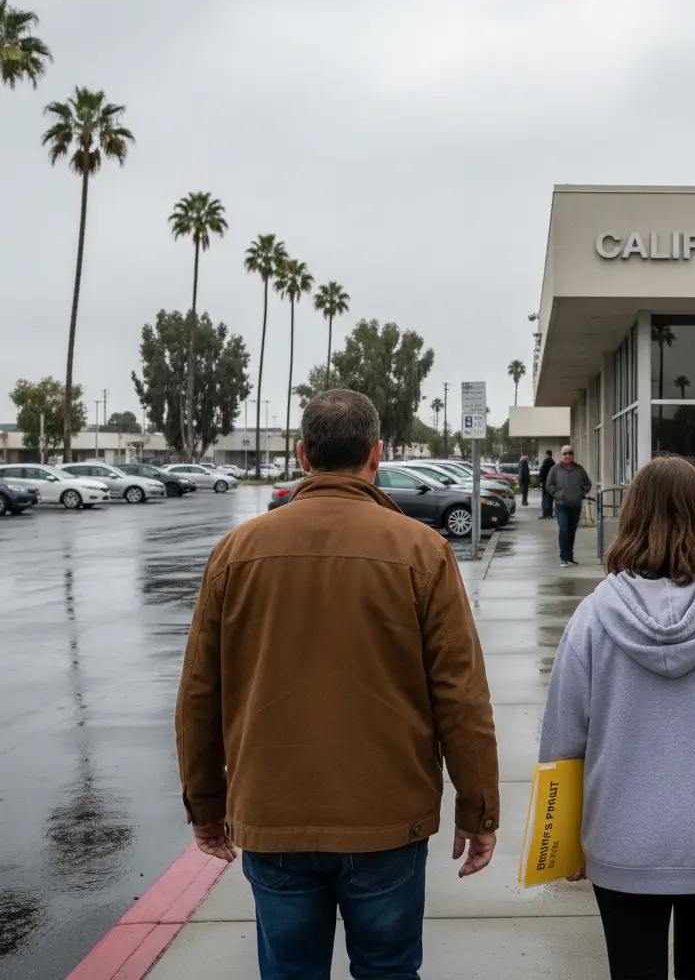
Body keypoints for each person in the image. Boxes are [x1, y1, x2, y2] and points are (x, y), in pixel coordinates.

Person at [176, 389, 500, 980]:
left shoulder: (236, 552)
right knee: (388, 969)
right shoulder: (422, 551)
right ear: (377, 454)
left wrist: (205, 805)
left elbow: (199, 694)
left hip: (274, 815)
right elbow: (461, 696)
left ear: (303, 455)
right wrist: (478, 809)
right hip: (387, 817)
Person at [539, 455, 695, 980]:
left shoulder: (592, 617)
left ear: (632, 516)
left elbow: (563, 736)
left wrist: (562, 838)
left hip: (620, 840)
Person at [545, 445, 592, 567]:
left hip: (575, 505)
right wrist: (558, 494)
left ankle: (569, 556)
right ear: (561, 455)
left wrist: (581, 493)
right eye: (565, 454)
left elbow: (588, 484)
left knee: (571, 530)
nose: (567, 456)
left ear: (573, 455)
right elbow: (549, 485)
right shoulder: (555, 469)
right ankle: (564, 557)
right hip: (561, 504)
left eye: (570, 453)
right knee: (564, 528)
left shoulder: (579, 469)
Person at [537, 449, 556, 519]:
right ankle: (550, 514)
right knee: (550, 499)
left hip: (545, 483)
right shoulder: (553, 462)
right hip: (552, 483)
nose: (545, 456)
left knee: (545, 499)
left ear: (547, 455)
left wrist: (541, 481)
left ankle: (545, 514)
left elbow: (542, 472)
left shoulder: (546, 461)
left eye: (545, 454)